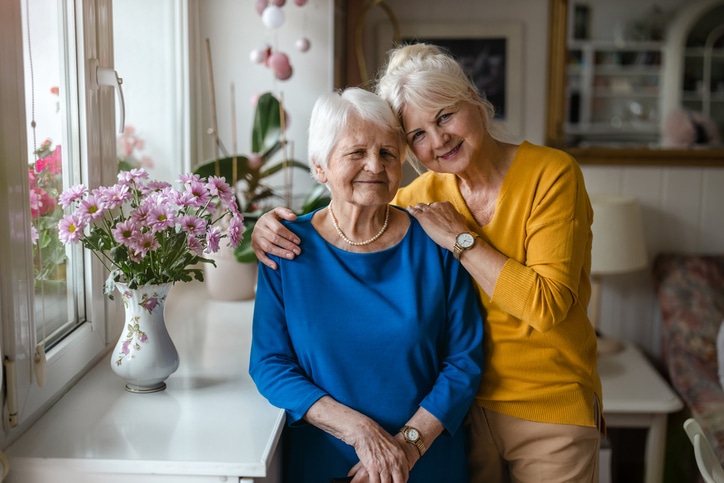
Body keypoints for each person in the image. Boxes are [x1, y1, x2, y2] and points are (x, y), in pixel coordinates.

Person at [251, 43, 603, 482]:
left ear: (474, 99)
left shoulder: (548, 175)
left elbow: (542, 308)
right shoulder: (417, 201)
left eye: (445, 116)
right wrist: (264, 225)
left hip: (543, 406)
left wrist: (462, 240)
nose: (437, 140)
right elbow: (356, 206)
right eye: (417, 134)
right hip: (467, 417)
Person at [248, 86, 484, 483]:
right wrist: (361, 433)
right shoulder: (286, 246)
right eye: (356, 153)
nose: (375, 166)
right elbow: (270, 364)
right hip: (327, 459)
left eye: (388, 153)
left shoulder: (436, 242)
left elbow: (465, 361)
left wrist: (407, 446)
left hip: (426, 460)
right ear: (320, 167)